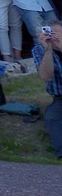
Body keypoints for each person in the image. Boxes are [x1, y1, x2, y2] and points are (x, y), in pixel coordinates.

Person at [34, 18, 62, 160]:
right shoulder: (39, 50)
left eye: (57, 33)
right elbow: (46, 76)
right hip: (60, 97)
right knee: (52, 117)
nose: (53, 36)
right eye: (50, 33)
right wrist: (48, 51)